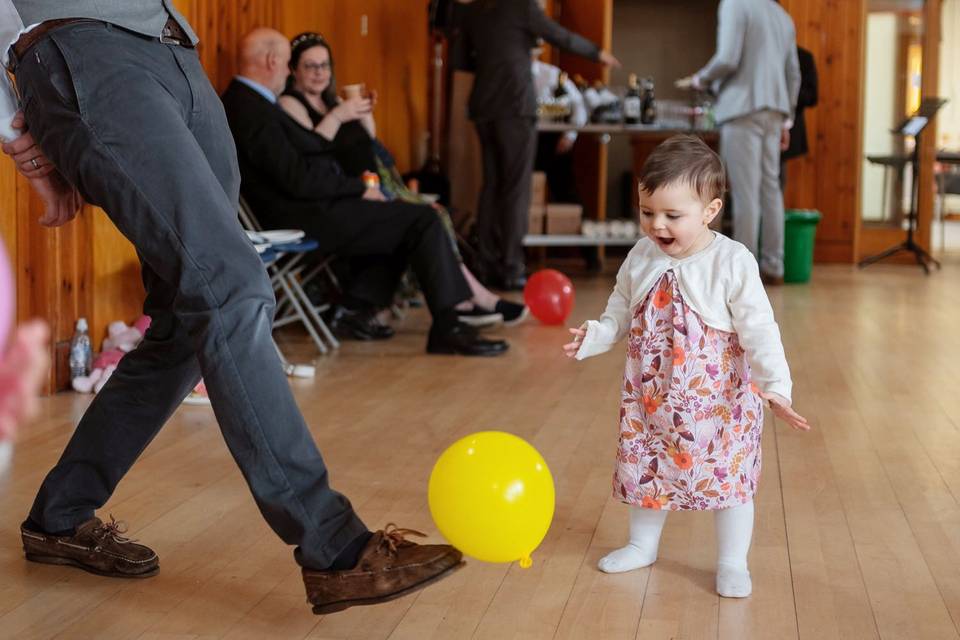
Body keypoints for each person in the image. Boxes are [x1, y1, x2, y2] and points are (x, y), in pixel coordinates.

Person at [0, 4, 462, 614]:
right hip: (83, 54)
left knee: (184, 325)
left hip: (175, 52)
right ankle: (333, 545)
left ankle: (59, 515)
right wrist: (16, 131)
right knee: (228, 282)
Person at [563, 136, 808, 598]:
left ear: (710, 210)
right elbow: (621, 307)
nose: (658, 225)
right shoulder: (640, 255)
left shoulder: (732, 261)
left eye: (673, 216)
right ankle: (642, 543)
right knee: (646, 468)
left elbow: (760, 327)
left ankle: (733, 562)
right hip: (650, 397)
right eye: (647, 211)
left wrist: (776, 386)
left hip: (717, 402)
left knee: (729, 477)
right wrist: (595, 335)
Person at [222, 28, 510, 355]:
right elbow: (297, 178)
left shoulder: (252, 103)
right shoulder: (248, 108)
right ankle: (449, 324)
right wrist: (359, 188)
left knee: (407, 219)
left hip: (312, 204)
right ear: (274, 61)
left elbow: (308, 155)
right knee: (421, 220)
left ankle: (357, 304)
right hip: (302, 215)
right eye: (290, 63)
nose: (289, 72)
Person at [277, 31, 527, 327]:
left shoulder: (333, 101)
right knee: (430, 218)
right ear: (294, 70)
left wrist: (363, 113)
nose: (320, 73)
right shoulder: (290, 103)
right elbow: (313, 152)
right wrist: (339, 116)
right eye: (310, 66)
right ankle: (471, 299)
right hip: (348, 194)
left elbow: (367, 142)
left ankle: (469, 298)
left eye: (325, 65)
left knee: (434, 215)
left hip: (377, 181)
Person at [453, 0, 620, 291]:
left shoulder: (473, 11)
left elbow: (462, 61)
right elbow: (559, 36)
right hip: (515, 104)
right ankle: (511, 266)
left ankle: (487, 265)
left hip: (483, 106)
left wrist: (498, 53)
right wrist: (597, 53)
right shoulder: (521, 7)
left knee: (491, 185)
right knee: (517, 187)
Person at [676, 0, 800, 285]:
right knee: (770, 187)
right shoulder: (782, 15)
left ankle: (746, 271)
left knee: (746, 193)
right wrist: (787, 119)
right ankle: (774, 265)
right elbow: (793, 74)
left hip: (742, 109)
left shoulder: (734, 4)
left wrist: (699, 79)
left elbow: (728, 58)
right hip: (775, 111)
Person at [531, 44, 587, 205]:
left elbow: (578, 104)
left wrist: (570, 135)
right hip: (519, 138)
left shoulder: (551, 74)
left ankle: (571, 224)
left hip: (551, 138)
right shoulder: (508, 75)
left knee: (563, 188)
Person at [780, 46, 818, 189]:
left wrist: (789, 94)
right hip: (760, 123)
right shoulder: (766, 54)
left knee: (776, 178)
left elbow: (813, 96)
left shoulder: (804, 57)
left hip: (790, 124)